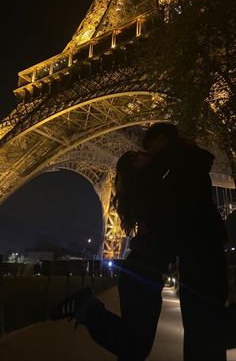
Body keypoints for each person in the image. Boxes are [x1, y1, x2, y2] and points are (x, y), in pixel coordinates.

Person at [52, 150, 169, 361]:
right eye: (140, 155)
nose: (146, 154)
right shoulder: (146, 188)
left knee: (132, 346)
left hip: (144, 269)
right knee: (137, 347)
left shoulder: (144, 189)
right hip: (144, 269)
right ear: (135, 167)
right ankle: (88, 308)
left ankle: (88, 308)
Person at [142, 122, 229, 361]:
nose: (150, 153)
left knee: (201, 326)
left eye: (151, 147)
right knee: (204, 327)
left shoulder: (179, 164)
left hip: (197, 253)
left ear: (161, 139)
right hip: (202, 251)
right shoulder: (187, 162)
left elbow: (168, 204)